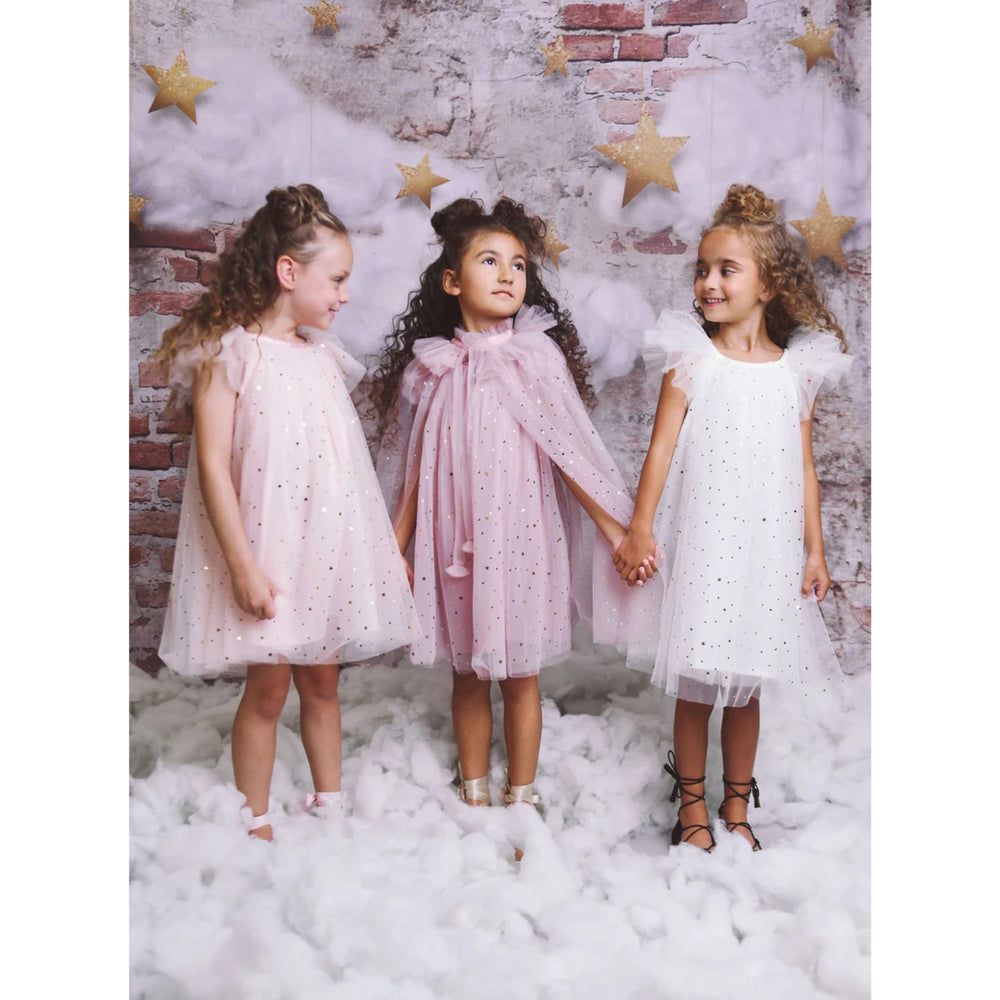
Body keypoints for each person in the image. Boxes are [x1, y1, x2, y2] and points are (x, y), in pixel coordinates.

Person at [154, 184, 420, 840]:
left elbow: (342, 476)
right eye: (338, 279)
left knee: (323, 683)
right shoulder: (231, 354)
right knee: (269, 690)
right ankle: (256, 818)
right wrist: (242, 567)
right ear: (288, 272)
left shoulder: (322, 359)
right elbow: (212, 467)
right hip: (268, 554)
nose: (345, 295)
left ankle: (329, 802)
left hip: (320, 553)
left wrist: (369, 558)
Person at [371, 196, 653, 817]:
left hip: (521, 538)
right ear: (452, 281)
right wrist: (395, 545)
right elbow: (414, 470)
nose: (507, 275)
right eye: (490, 261)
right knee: (467, 673)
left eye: (519, 265)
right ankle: (472, 793)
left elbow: (570, 453)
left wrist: (616, 530)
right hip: (453, 543)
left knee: (521, 674)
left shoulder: (534, 356)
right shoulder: (432, 369)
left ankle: (521, 795)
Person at [613, 184, 852, 852]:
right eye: (702, 269)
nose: (709, 283)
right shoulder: (693, 360)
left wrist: (814, 550)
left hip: (765, 547)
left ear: (769, 284)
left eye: (726, 270)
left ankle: (738, 807)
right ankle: (692, 807)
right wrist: (640, 527)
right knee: (697, 680)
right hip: (707, 540)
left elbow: (804, 467)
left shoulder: (794, 371)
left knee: (746, 686)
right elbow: (661, 450)